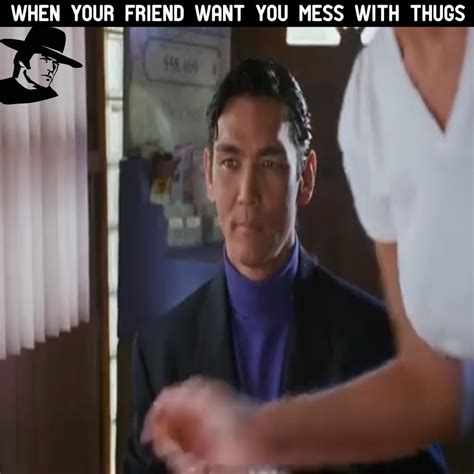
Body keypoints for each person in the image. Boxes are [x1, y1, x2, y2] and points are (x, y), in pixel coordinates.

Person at [141, 28, 473, 470]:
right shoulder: (161, 349)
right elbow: (438, 387)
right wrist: (250, 437)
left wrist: (253, 436)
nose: (247, 193)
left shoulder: (371, 335)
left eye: (271, 163)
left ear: (307, 176)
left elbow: (437, 400)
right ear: (208, 172)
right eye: (230, 162)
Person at [0, 26, 82, 105]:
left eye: (56, 63)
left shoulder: (52, 97)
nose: (52, 69)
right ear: (22, 60)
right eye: (45, 59)